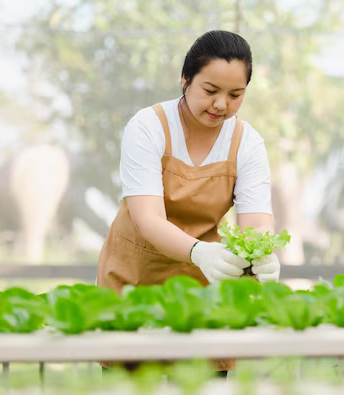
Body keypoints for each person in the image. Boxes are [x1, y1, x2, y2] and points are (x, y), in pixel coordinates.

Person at [97, 30, 281, 376]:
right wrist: (201, 252)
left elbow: (256, 219)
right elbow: (148, 218)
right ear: (185, 80)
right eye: (210, 91)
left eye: (235, 94)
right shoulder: (148, 126)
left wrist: (263, 252)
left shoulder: (247, 143)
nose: (221, 105)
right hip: (137, 277)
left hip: (204, 285)